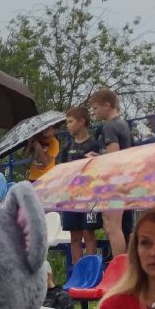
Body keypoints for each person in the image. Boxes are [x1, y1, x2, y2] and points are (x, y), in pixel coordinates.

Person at [89, 87, 133, 256]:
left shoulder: (109, 126)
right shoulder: (123, 124)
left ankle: (119, 265)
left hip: (114, 182)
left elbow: (114, 158)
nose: (94, 112)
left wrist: (96, 160)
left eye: (95, 108)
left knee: (113, 226)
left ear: (107, 105)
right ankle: (120, 262)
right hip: (123, 179)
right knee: (112, 226)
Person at [59, 106, 100, 264]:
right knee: (74, 237)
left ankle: (91, 272)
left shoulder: (94, 145)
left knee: (88, 234)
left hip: (88, 198)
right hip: (70, 198)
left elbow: (96, 171)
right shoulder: (67, 147)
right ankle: (78, 272)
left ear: (82, 122)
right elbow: (62, 170)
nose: (67, 125)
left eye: (70, 122)